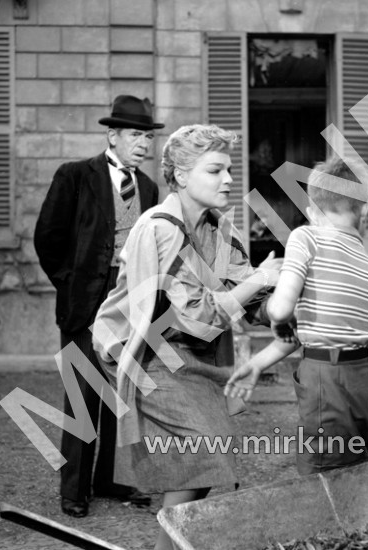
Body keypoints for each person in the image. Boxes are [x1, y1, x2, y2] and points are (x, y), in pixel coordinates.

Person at [92, 124, 282, 550]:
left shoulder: (218, 228)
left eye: (229, 169)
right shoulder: (160, 227)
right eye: (215, 170)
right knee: (206, 448)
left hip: (189, 353)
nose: (229, 179)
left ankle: (172, 544)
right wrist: (259, 282)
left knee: (204, 459)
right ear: (180, 176)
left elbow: (249, 299)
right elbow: (199, 313)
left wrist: (286, 300)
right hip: (145, 354)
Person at [34, 95, 164, 518]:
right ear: (113, 136)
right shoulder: (75, 176)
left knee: (118, 394)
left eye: (147, 136)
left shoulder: (148, 187)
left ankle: (108, 479)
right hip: (84, 303)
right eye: (134, 135)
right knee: (82, 395)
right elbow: (48, 238)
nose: (143, 143)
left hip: (130, 302)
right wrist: (71, 284)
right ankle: (73, 490)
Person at [225, 156, 368, 474]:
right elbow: (317, 329)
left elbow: (282, 309)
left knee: (322, 477)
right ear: (365, 210)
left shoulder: (306, 237)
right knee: (358, 471)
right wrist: (257, 364)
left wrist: (275, 315)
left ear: (312, 212)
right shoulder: (364, 258)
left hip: (329, 380)